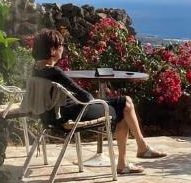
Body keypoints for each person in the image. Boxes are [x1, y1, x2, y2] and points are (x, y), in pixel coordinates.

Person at [31, 29, 166, 175]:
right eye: (62, 45)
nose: (63, 48)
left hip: (51, 117)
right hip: (72, 116)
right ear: (52, 50)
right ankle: (132, 156)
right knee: (125, 104)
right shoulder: (55, 72)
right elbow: (86, 97)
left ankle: (138, 150)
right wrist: (95, 100)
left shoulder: (36, 70)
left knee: (122, 104)